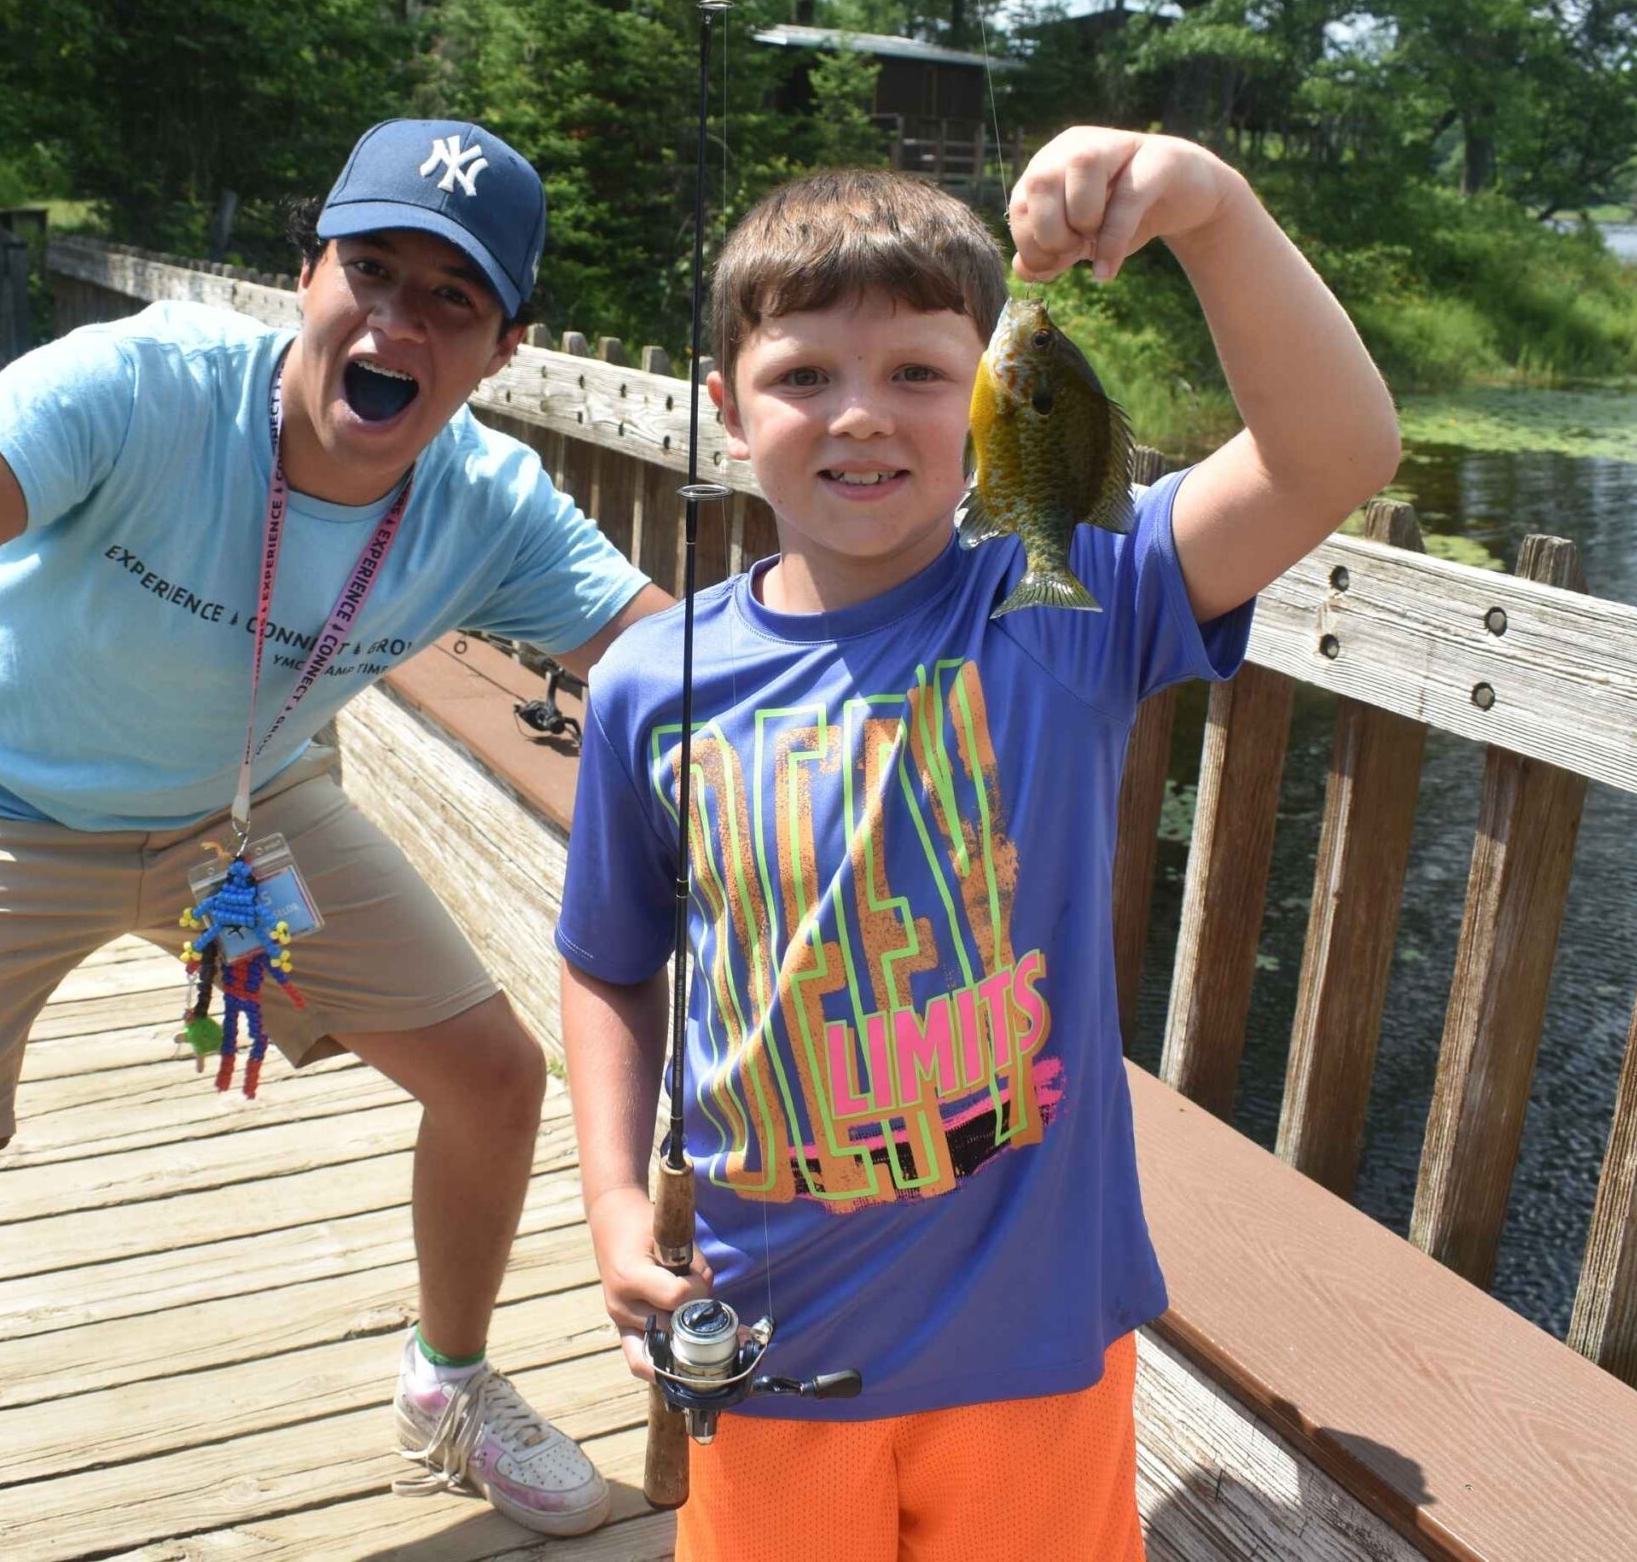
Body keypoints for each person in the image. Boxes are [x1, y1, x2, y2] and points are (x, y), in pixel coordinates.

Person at [0, 119, 663, 1560]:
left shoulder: (487, 503)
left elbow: (669, 660)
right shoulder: (147, 382)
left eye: (453, 301)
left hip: (236, 810)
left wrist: (871, 649)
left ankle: (449, 1388)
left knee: (494, 1077)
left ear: (502, 349)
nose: (396, 321)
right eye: (369, 269)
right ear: (304, 274)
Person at [556, 131, 1400, 1560]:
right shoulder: (656, 679)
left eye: (918, 376)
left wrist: (1205, 201)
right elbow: (609, 961)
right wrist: (612, 1197)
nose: (862, 417)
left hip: (1034, 1352)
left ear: (987, 401)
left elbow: (1337, 451)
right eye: (805, 376)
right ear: (726, 405)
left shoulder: (1060, 599)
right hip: (773, 1345)